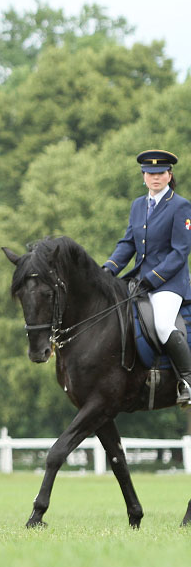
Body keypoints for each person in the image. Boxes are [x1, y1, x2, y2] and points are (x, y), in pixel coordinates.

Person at [103, 149, 191, 406]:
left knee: (163, 324)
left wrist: (153, 278)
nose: (155, 178)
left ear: (169, 175)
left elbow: (180, 252)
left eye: (160, 173)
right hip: (140, 281)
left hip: (169, 283)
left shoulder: (180, 206)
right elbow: (128, 243)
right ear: (143, 176)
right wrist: (108, 270)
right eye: (150, 173)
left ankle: (187, 380)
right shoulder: (138, 205)